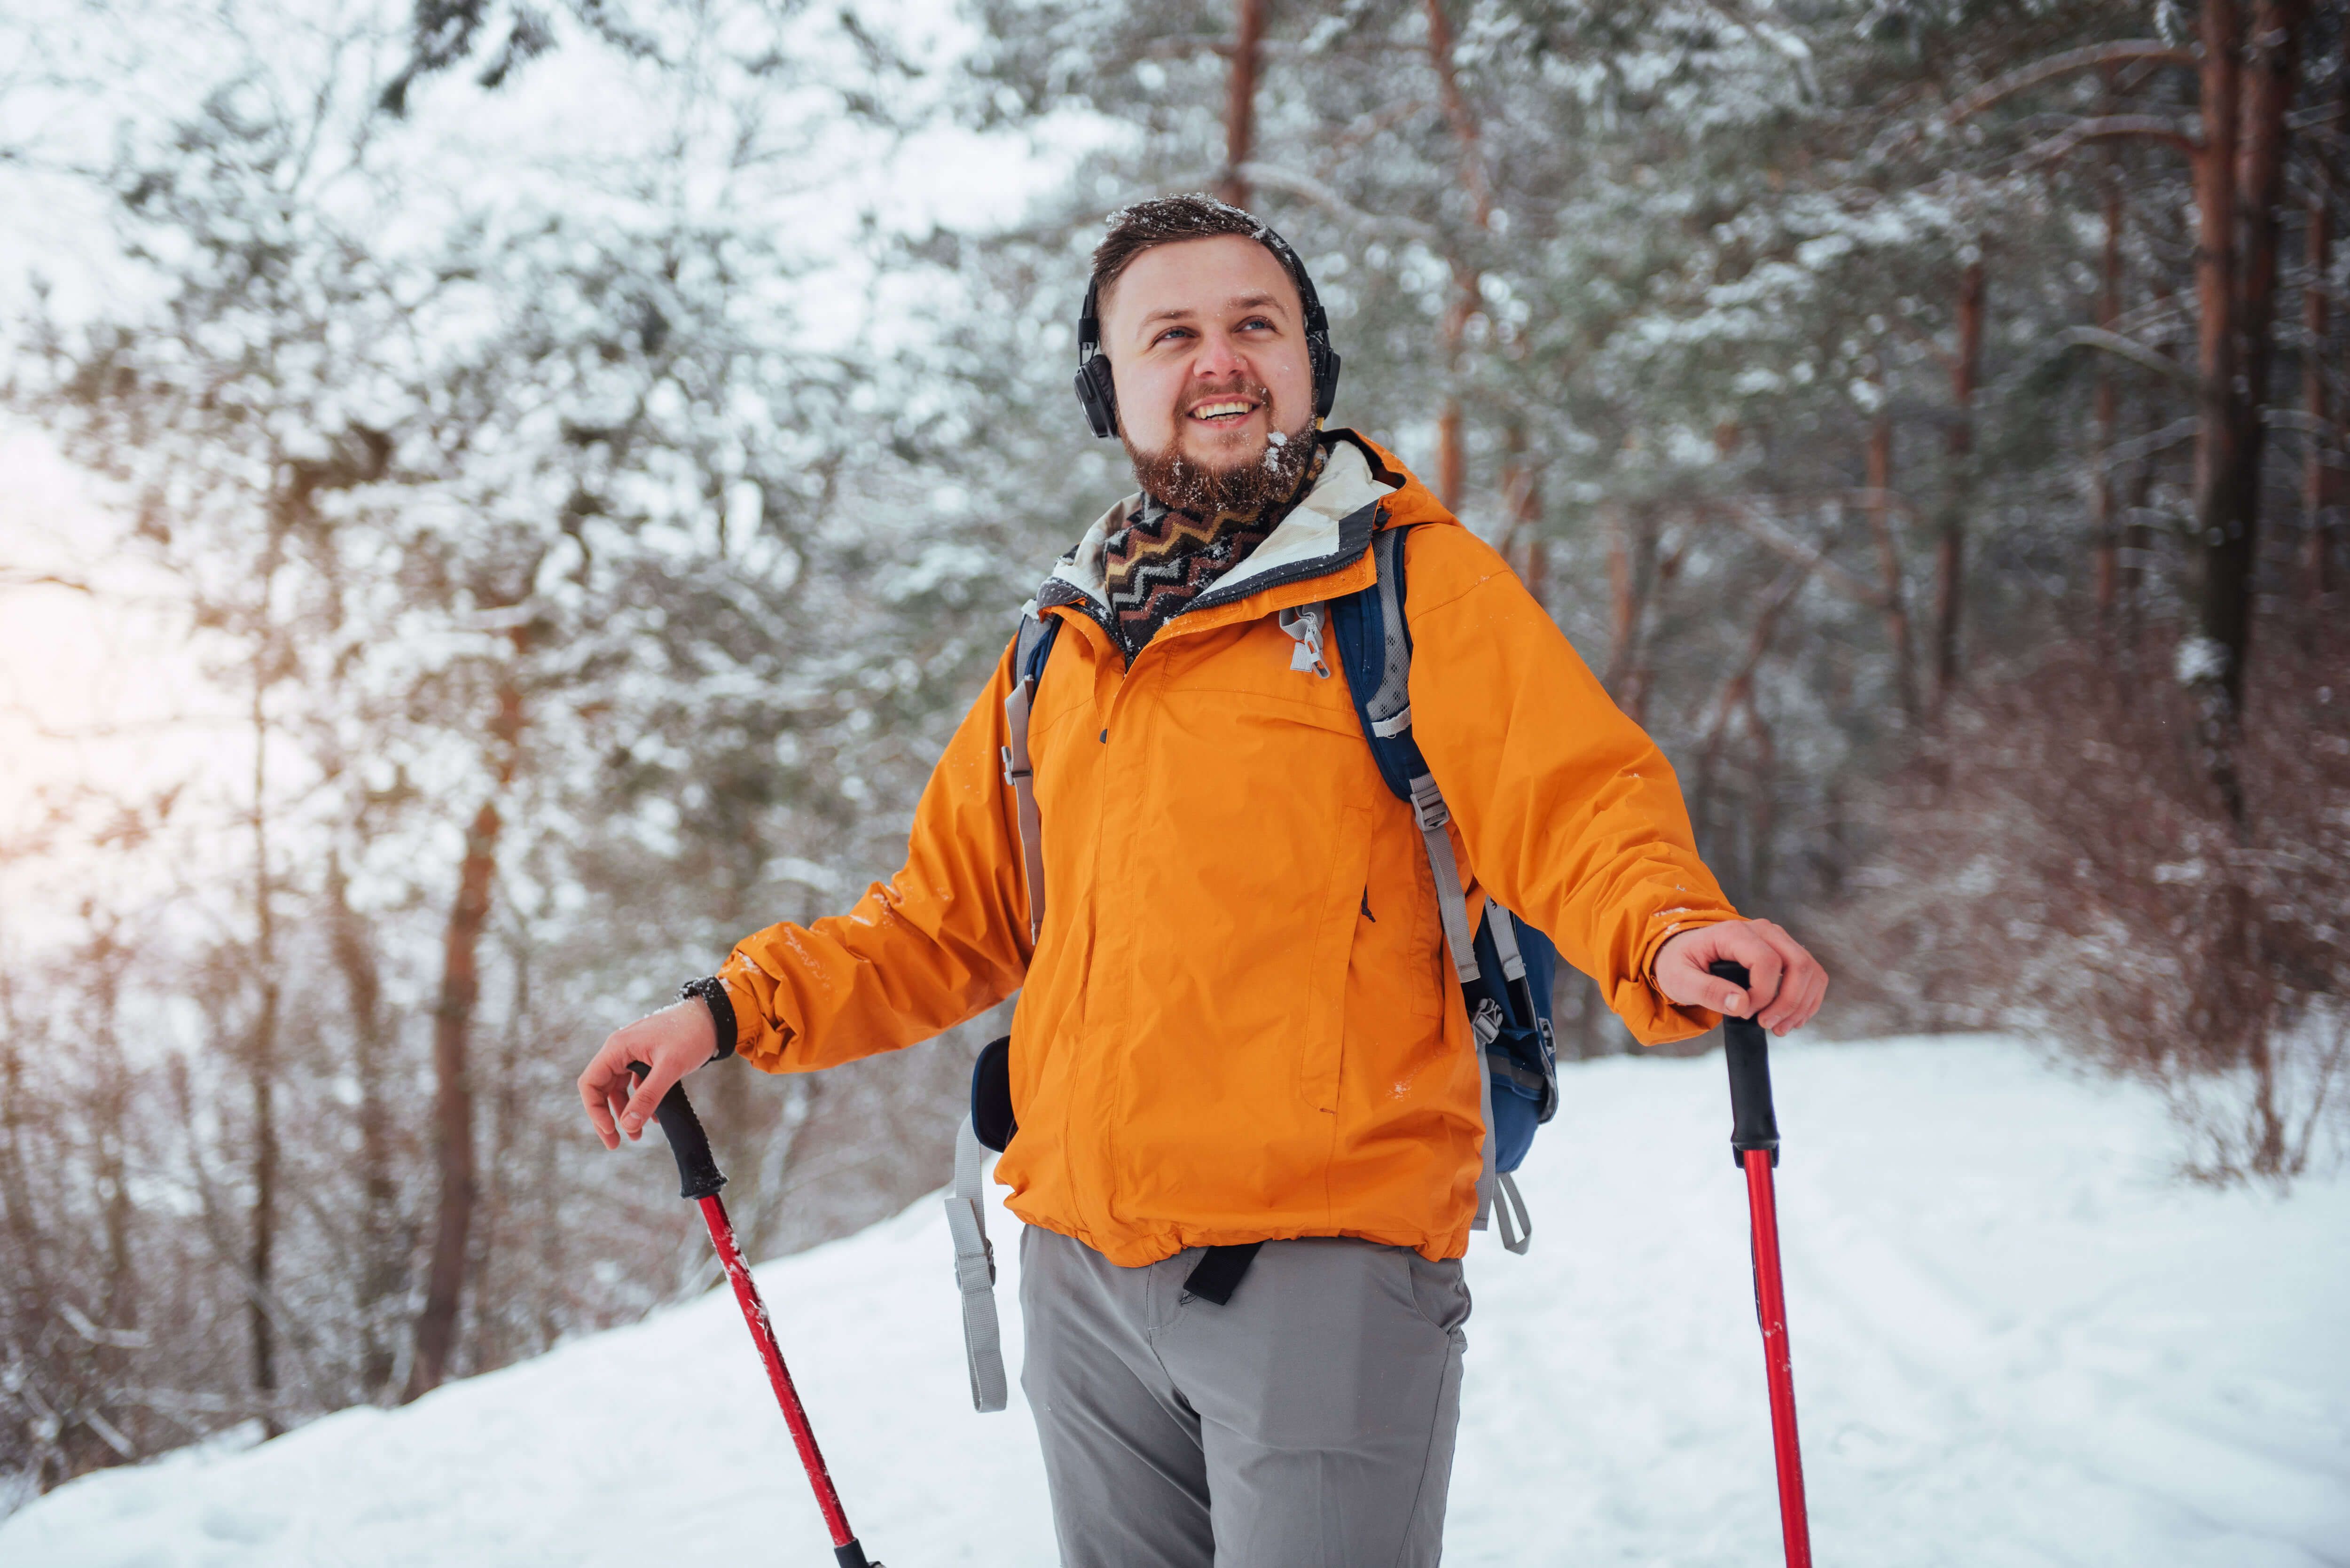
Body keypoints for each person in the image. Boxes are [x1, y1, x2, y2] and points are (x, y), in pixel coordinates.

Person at [578, 194, 1828, 1568]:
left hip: (1326, 1272)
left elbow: (1576, 800)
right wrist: (726, 1010)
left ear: (1311, 363)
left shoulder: (1410, 586)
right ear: (1109, 387)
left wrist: (1669, 931)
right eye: (1171, 333)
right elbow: (943, 918)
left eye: (1256, 324)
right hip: (1081, 1281)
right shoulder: (1059, 647)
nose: (1220, 358)